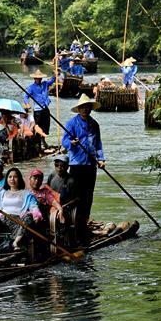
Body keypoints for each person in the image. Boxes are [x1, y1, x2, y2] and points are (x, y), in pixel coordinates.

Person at [61, 94, 105, 244]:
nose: (85, 109)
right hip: (77, 164)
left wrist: (101, 159)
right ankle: (76, 228)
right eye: (82, 107)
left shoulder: (94, 125)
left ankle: (84, 224)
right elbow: (64, 141)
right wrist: (72, 143)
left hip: (91, 164)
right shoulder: (71, 124)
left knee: (88, 196)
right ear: (78, 109)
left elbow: (98, 144)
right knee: (77, 197)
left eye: (87, 107)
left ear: (90, 109)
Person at [0, 168, 42, 254]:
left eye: (15, 177)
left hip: (17, 222)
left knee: (29, 216)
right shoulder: (2, 193)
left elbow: (34, 207)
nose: (12, 179)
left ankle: (15, 243)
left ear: (19, 179)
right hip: (2, 221)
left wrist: (37, 215)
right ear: (7, 179)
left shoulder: (26, 194)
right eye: (10, 177)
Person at [23, 69, 55, 137]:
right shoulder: (32, 87)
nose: (39, 80)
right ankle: (38, 140)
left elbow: (52, 81)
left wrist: (55, 74)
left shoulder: (45, 83)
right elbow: (25, 96)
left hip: (45, 107)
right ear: (35, 78)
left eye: (40, 78)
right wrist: (27, 104)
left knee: (46, 124)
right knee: (37, 125)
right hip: (37, 109)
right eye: (37, 78)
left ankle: (43, 138)